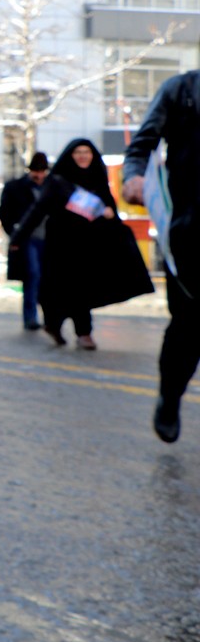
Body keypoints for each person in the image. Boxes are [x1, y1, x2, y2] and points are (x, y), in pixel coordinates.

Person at [12, 138, 152, 351]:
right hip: (61, 245)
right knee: (58, 290)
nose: (83, 156)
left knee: (81, 289)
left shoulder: (97, 179)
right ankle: (55, 324)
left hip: (88, 245)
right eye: (78, 152)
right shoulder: (58, 181)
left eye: (87, 152)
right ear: (70, 155)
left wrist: (108, 215)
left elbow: (109, 210)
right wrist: (19, 237)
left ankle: (84, 332)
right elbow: (38, 210)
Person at [123, 70, 200, 443]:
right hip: (189, 232)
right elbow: (142, 145)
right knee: (189, 328)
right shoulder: (181, 89)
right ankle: (170, 396)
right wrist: (133, 177)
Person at [0, 152, 50, 331]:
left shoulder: (52, 187)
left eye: (42, 171)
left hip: (49, 239)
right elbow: (4, 214)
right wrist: (15, 235)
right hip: (28, 239)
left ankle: (50, 318)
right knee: (32, 275)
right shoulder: (16, 187)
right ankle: (31, 317)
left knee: (47, 278)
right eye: (36, 171)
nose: (39, 175)